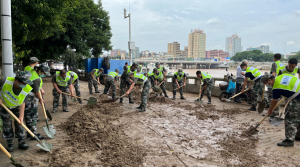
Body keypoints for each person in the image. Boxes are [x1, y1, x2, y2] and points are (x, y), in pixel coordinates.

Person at [262, 73, 300, 147]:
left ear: (270, 80)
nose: (269, 86)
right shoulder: (281, 77)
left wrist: (270, 110)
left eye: (267, 84)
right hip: (297, 95)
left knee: (290, 118)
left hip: (298, 98)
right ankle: (298, 136)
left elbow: (274, 101)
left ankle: (289, 140)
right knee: (298, 116)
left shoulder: (276, 86)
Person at [0, 71, 33, 152]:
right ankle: (10, 143)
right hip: (4, 105)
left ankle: (21, 141)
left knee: (20, 123)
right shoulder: (5, 81)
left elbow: (22, 103)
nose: (25, 85)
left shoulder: (26, 89)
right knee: (7, 124)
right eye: (24, 83)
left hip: (17, 106)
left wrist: (21, 117)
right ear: (17, 81)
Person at [24, 57, 50, 140]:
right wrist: (40, 98)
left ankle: (30, 132)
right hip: (31, 96)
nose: (45, 75)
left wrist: (41, 89)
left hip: (26, 95)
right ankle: (33, 133)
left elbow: (37, 87)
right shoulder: (36, 78)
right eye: (44, 73)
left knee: (28, 114)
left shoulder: (28, 69)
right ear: (40, 71)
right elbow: (36, 91)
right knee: (33, 115)